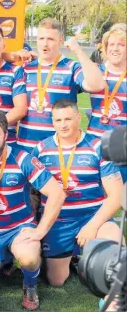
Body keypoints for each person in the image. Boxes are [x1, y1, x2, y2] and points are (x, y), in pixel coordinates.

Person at [0, 110, 66, 310]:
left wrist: (39, 231)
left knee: (29, 257)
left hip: (19, 229)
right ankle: (2, 262)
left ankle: (30, 284)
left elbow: (57, 193)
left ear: (6, 135)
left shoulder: (22, 158)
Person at [32, 99, 124, 287]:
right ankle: (71, 255)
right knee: (56, 281)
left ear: (78, 117)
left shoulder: (98, 147)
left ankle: (87, 250)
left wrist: (92, 225)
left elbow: (116, 196)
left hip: (92, 217)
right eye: (58, 120)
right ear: (52, 121)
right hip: (58, 221)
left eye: (68, 119)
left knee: (118, 254)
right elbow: (34, 193)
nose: (63, 125)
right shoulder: (41, 149)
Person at [14, 18, 106, 152]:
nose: (45, 44)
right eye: (41, 38)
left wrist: (78, 51)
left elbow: (96, 85)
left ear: (61, 40)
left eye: (51, 39)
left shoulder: (71, 67)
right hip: (26, 148)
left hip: (58, 151)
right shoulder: (25, 68)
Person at [86, 24, 127, 181]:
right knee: (94, 199)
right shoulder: (95, 72)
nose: (115, 49)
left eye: (121, 45)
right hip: (93, 145)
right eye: (112, 44)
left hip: (121, 148)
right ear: (105, 47)